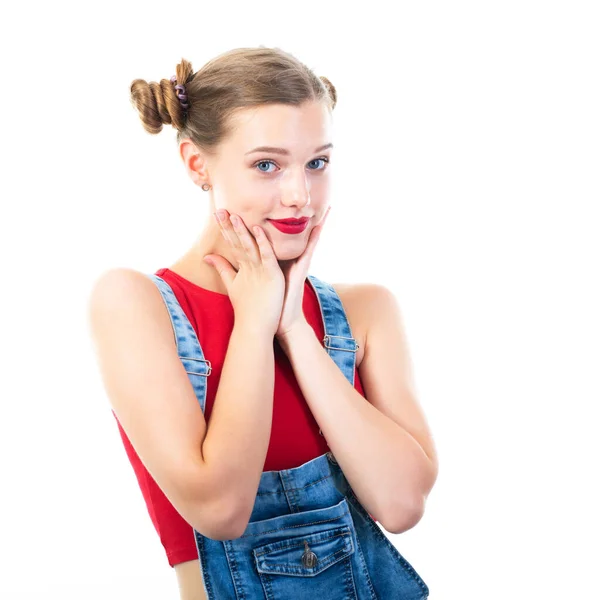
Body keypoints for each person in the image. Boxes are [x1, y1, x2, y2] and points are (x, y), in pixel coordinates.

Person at [88, 46, 438, 600]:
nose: (299, 195)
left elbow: (402, 504)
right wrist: (253, 325)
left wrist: (294, 328)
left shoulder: (366, 311)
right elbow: (220, 509)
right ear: (196, 164)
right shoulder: (135, 305)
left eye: (317, 162)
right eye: (266, 165)